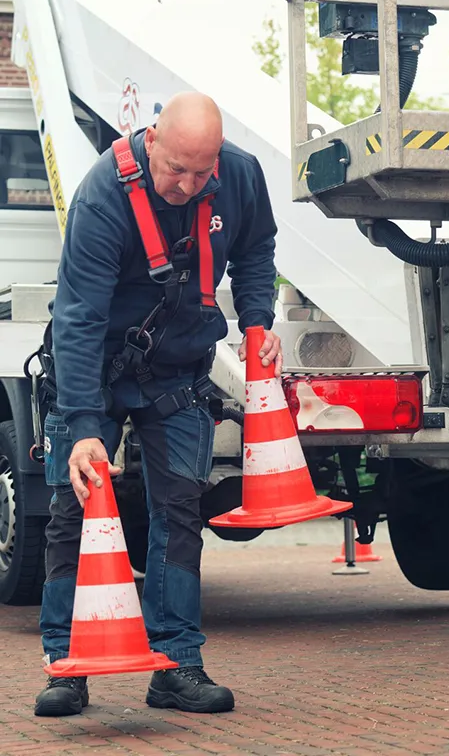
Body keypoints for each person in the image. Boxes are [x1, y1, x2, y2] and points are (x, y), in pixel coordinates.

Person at [34, 92, 282, 717]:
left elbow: (256, 248)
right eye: (177, 169)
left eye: (203, 173)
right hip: (96, 366)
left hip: (176, 373)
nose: (188, 184)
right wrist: (86, 424)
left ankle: (176, 667)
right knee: (76, 512)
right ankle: (67, 667)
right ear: (151, 142)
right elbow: (80, 316)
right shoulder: (102, 196)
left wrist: (257, 321)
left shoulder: (240, 175)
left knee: (179, 513)